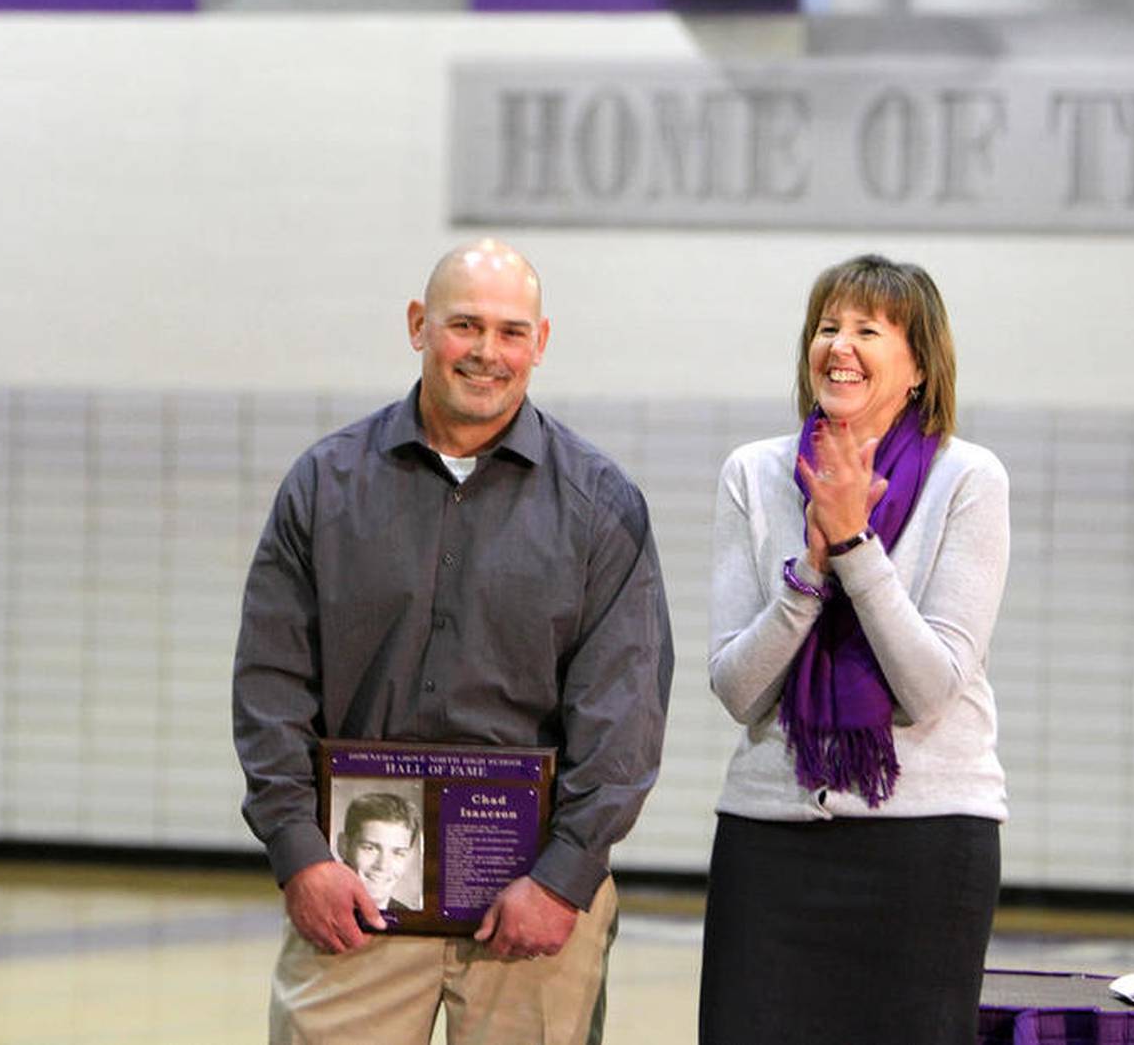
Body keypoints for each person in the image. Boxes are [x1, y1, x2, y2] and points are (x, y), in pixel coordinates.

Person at [233, 238, 674, 1045]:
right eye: (464, 325)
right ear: (418, 325)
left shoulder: (599, 504)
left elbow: (627, 713)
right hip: (354, 897)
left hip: (531, 901)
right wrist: (300, 854)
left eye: (511, 332)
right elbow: (270, 686)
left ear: (540, 344)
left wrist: (563, 877)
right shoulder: (325, 487)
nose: (487, 352)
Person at [698, 255, 1009, 1045]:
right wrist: (807, 573)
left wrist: (856, 545)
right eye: (827, 327)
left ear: (918, 367)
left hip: (926, 844)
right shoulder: (755, 472)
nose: (839, 346)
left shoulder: (967, 479)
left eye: (868, 330)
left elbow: (931, 685)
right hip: (771, 840)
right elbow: (738, 689)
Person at [336, 791, 422, 913]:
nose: (382, 865)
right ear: (344, 846)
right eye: (370, 848)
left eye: (398, 853)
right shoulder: (313, 910)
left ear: (409, 858)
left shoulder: (414, 920)